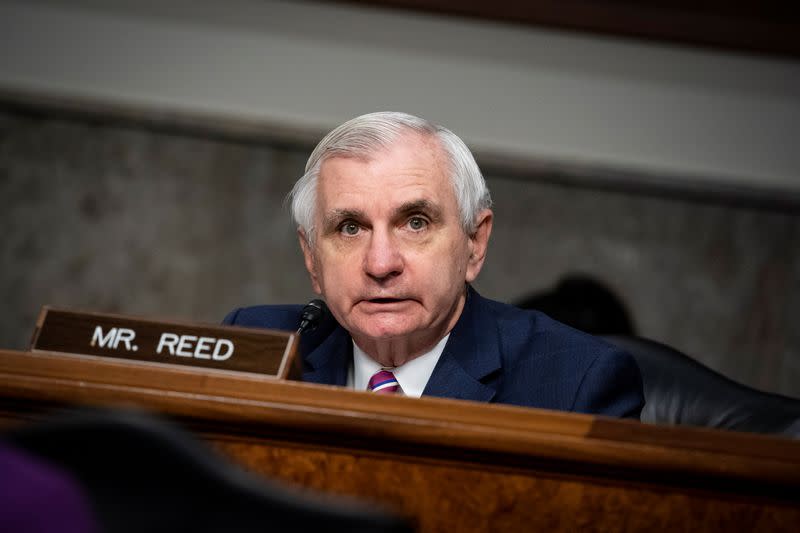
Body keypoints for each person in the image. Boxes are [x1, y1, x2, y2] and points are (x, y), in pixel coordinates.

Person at [224, 112, 643, 418]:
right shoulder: (256, 345)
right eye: (350, 228)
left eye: (416, 223)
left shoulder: (576, 383)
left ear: (474, 243)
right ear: (312, 257)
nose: (381, 263)